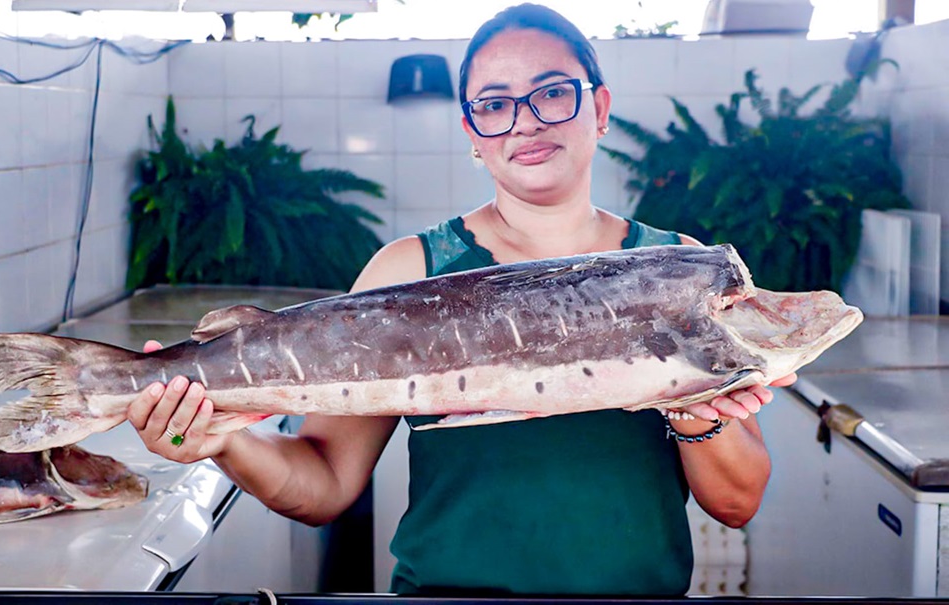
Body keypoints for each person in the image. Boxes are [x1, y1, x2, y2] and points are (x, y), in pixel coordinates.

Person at [127, 3, 796, 596]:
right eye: (495, 104)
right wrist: (220, 440)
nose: (525, 122)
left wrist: (689, 404)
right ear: (473, 133)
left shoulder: (678, 266)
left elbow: (736, 500)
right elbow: (325, 482)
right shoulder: (410, 271)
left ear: (599, 108)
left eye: (553, 93)